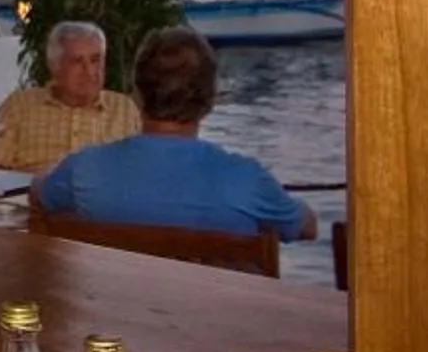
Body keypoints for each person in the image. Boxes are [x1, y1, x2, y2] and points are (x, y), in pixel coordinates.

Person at [38, 25, 316, 240]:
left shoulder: (86, 169)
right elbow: (306, 227)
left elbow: (41, 194)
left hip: (118, 312)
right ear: (210, 100)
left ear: (136, 95)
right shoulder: (247, 181)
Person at [0, 18, 143, 172]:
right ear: (54, 66)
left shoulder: (124, 110)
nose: (89, 71)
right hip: (33, 193)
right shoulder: (19, 107)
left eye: (95, 60)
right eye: (77, 61)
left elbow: (141, 172)